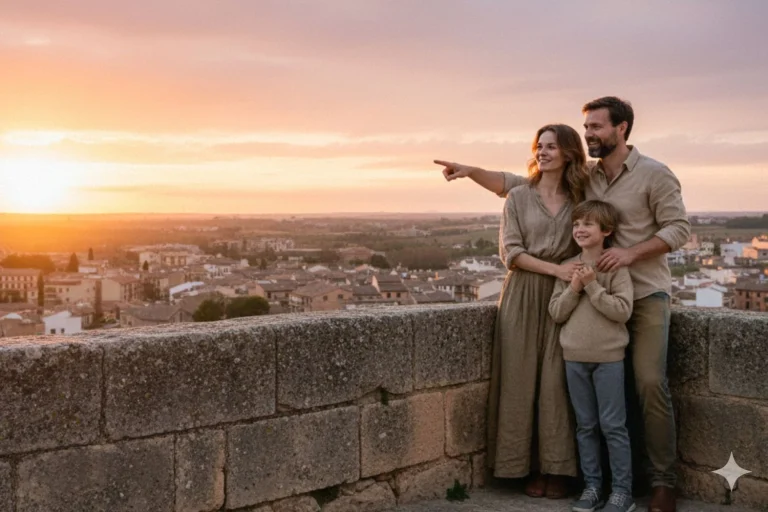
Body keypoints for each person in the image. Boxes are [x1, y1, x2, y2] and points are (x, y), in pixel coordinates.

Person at [436, 96, 690, 512]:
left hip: (642, 291)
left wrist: (628, 255)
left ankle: (662, 481)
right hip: (584, 295)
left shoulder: (654, 174)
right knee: (599, 397)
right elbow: (520, 183)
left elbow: (679, 229)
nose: (589, 133)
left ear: (621, 128)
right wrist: (470, 172)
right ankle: (607, 481)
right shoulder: (585, 179)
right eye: (586, 127)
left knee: (646, 382)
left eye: (596, 127)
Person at [486, 123, 588, 499]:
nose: (542, 152)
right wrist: (557, 268)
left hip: (566, 295)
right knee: (518, 380)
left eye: (551, 147)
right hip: (523, 294)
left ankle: (557, 469)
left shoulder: (581, 196)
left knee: (556, 383)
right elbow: (510, 253)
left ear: (568, 153)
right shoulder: (518, 197)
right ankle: (520, 465)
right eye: (539, 146)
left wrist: (569, 274)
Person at [549, 200, 635, 512]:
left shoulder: (615, 268)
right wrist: (574, 286)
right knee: (585, 425)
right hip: (574, 357)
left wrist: (593, 286)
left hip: (609, 358)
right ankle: (593, 487)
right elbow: (556, 313)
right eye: (576, 224)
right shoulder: (567, 266)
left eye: (588, 224)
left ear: (606, 231)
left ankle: (622, 492)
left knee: (613, 426)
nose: (580, 229)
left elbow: (623, 311)